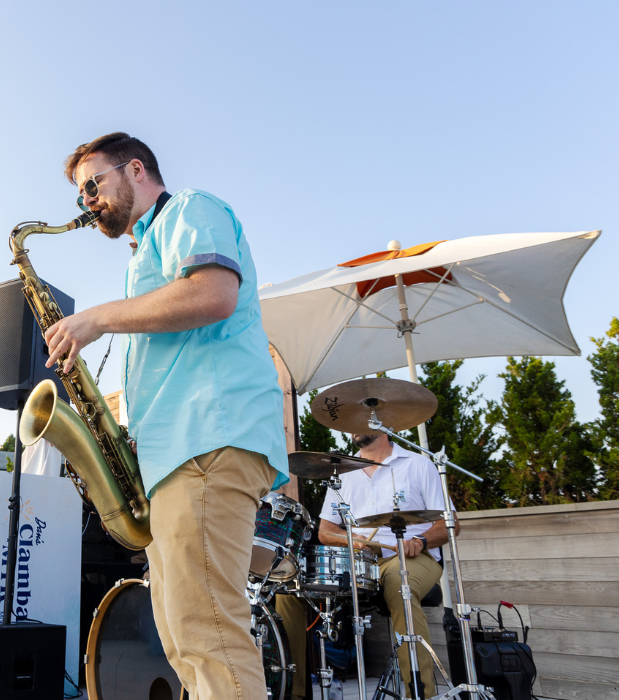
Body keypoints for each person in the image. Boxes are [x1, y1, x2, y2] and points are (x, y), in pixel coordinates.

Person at [47, 132, 289, 700]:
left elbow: (213, 293)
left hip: (208, 439)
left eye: (93, 184)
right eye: (81, 195)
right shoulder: (144, 255)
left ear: (135, 169)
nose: (87, 202)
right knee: (186, 638)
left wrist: (99, 319)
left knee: (208, 634)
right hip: (178, 452)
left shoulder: (189, 209)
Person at [317, 432, 457, 698]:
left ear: (380, 421)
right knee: (298, 591)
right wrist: (350, 539)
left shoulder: (418, 464)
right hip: (363, 561)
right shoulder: (343, 474)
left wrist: (421, 540)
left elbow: (450, 525)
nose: (351, 428)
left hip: (414, 557)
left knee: (398, 583)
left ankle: (421, 694)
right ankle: (293, 691)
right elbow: (325, 531)